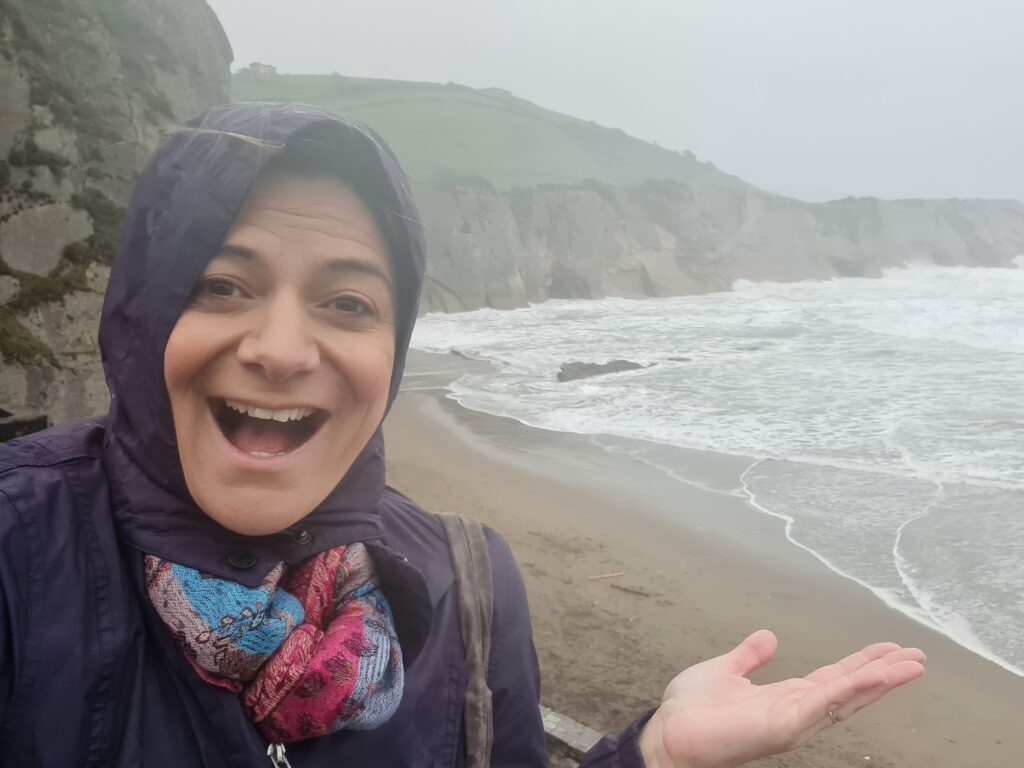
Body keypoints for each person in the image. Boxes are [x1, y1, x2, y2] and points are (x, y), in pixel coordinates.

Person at [0, 103, 925, 767]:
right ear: (143, 313)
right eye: (221, 285)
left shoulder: (469, 585)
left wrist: (652, 756)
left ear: (394, 346)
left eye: (347, 303)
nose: (280, 350)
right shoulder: (18, 550)